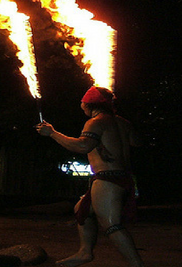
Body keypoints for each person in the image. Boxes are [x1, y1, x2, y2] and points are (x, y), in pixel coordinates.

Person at [36, 86, 144, 267]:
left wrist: (52, 133)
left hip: (108, 180)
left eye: (82, 103)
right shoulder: (123, 122)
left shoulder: (95, 122)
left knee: (112, 224)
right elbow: (136, 142)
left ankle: (136, 264)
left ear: (88, 104)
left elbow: (82, 147)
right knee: (82, 210)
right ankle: (85, 252)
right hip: (124, 177)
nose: (81, 106)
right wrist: (103, 143)